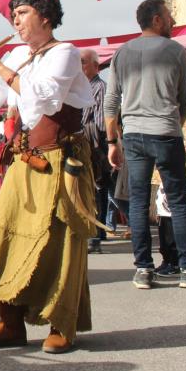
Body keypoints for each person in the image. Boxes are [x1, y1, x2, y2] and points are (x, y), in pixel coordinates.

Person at [0, 0, 96, 354]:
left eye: (23, 13)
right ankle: (10, 324)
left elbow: (43, 97)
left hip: (61, 159)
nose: (16, 20)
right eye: (13, 14)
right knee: (9, 234)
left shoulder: (65, 54)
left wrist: (0, 65)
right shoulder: (19, 54)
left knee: (58, 240)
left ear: (45, 17)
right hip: (25, 158)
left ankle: (61, 324)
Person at [104, 0, 186, 290]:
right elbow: (184, 100)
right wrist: (175, 124)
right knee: (177, 201)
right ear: (157, 20)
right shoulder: (175, 50)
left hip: (134, 135)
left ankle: (143, 269)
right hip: (166, 132)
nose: (173, 21)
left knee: (138, 202)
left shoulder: (122, 53)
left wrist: (112, 141)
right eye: (169, 16)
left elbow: (112, 102)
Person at [80, 48, 111, 255]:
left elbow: (100, 122)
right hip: (85, 141)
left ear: (95, 66)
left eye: (83, 62)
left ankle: (97, 234)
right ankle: (96, 232)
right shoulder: (80, 87)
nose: (79, 67)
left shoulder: (99, 87)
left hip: (95, 143)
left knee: (98, 188)